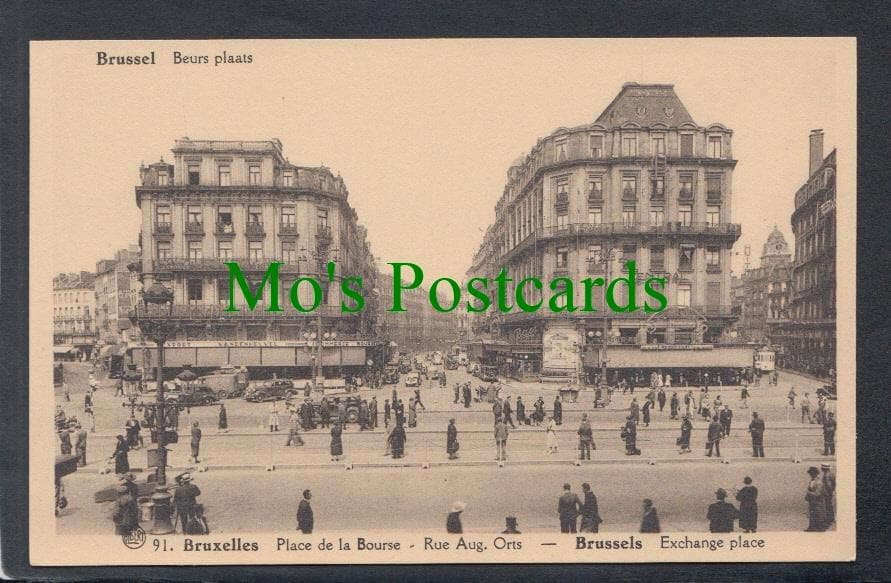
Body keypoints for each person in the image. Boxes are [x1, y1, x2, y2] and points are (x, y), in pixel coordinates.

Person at [805, 466, 828, 531]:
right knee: (812, 514)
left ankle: (819, 528)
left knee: (818, 515)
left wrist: (809, 493)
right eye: (810, 473)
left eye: (811, 473)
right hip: (812, 501)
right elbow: (809, 489)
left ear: (815, 473)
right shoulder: (812, 481)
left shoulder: (819, 482)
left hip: (818, 502)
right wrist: (807, 497)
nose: (810, 475)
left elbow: (817, 494)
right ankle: (811, 527)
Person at [821, 463, 836, 527]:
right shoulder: (832, 474)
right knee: (830, 505)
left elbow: (828, 485)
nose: (821, 469)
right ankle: (831, 518)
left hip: (827, 493)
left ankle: (829, 519)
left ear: (824, 469)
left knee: (827, 506)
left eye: (822, 468)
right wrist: (833, 490)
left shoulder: (826, 475)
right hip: (830, 492)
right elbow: (834, 483)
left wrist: (828, 492)